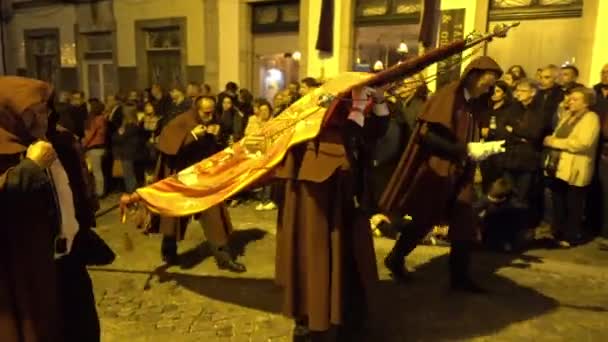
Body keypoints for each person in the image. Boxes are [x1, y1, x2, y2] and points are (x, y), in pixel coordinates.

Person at [273, 84, 391, 340]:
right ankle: (309, 317)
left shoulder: (353, 115)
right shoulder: (315, 121)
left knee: (350, 261)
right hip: (319, 200)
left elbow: (374, 132)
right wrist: (358, 109)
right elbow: (339, 138)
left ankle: (348, 316)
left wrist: (379, 102)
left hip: (349, 201)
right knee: (314, 259)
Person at [380, 56, 505, 293]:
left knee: (464, 221)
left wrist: (478, 150)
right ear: (475, 76)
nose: (491, 87)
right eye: (489, 82)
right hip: (438, 169)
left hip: (460, 170)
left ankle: (459, 278)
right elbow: (428, 136)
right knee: (423, 220)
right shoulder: (449, 96)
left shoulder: (473, 102)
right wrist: (465, 149)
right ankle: (396, 257)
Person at [0, 76, 100, 342]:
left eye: (44, 110)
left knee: (84, 330)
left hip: (70, 261)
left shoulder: (58, 141)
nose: (43, 118)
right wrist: (29, 169)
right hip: (27, 272)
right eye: (33, 113)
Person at [153, 96, 246, 272]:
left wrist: (217, 135)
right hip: (182, 177)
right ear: (197, 109)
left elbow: (215, 148)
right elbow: (167, 144)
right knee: (173, 217)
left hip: (203, 177)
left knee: (214, 217)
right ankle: (169, 253)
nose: (210, 117)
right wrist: (193, 135)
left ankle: (224, 259)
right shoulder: (182, 121)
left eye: (212, 112)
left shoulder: (213, 120)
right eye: (206, 113)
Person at [543, 87, 600, 247]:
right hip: (560, 166)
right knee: (559, 201)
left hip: (576, 167)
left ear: (586, 103)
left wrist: (555, 142)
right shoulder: (568, 116)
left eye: (576, 99)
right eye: (571, 98)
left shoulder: (590, 118)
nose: (571, 102)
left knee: (573, 203)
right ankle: (558, 232)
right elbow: (558, 133)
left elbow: (583, 143)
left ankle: (571, 235)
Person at [83, 98, 108, 197]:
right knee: (98, 170)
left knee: (96, 171)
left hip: (94, 148)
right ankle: (100, 190)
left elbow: (90, 134)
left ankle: (99, 192)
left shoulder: (95, 120)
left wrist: (83, 144)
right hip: (101, 147)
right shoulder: (102, 118)